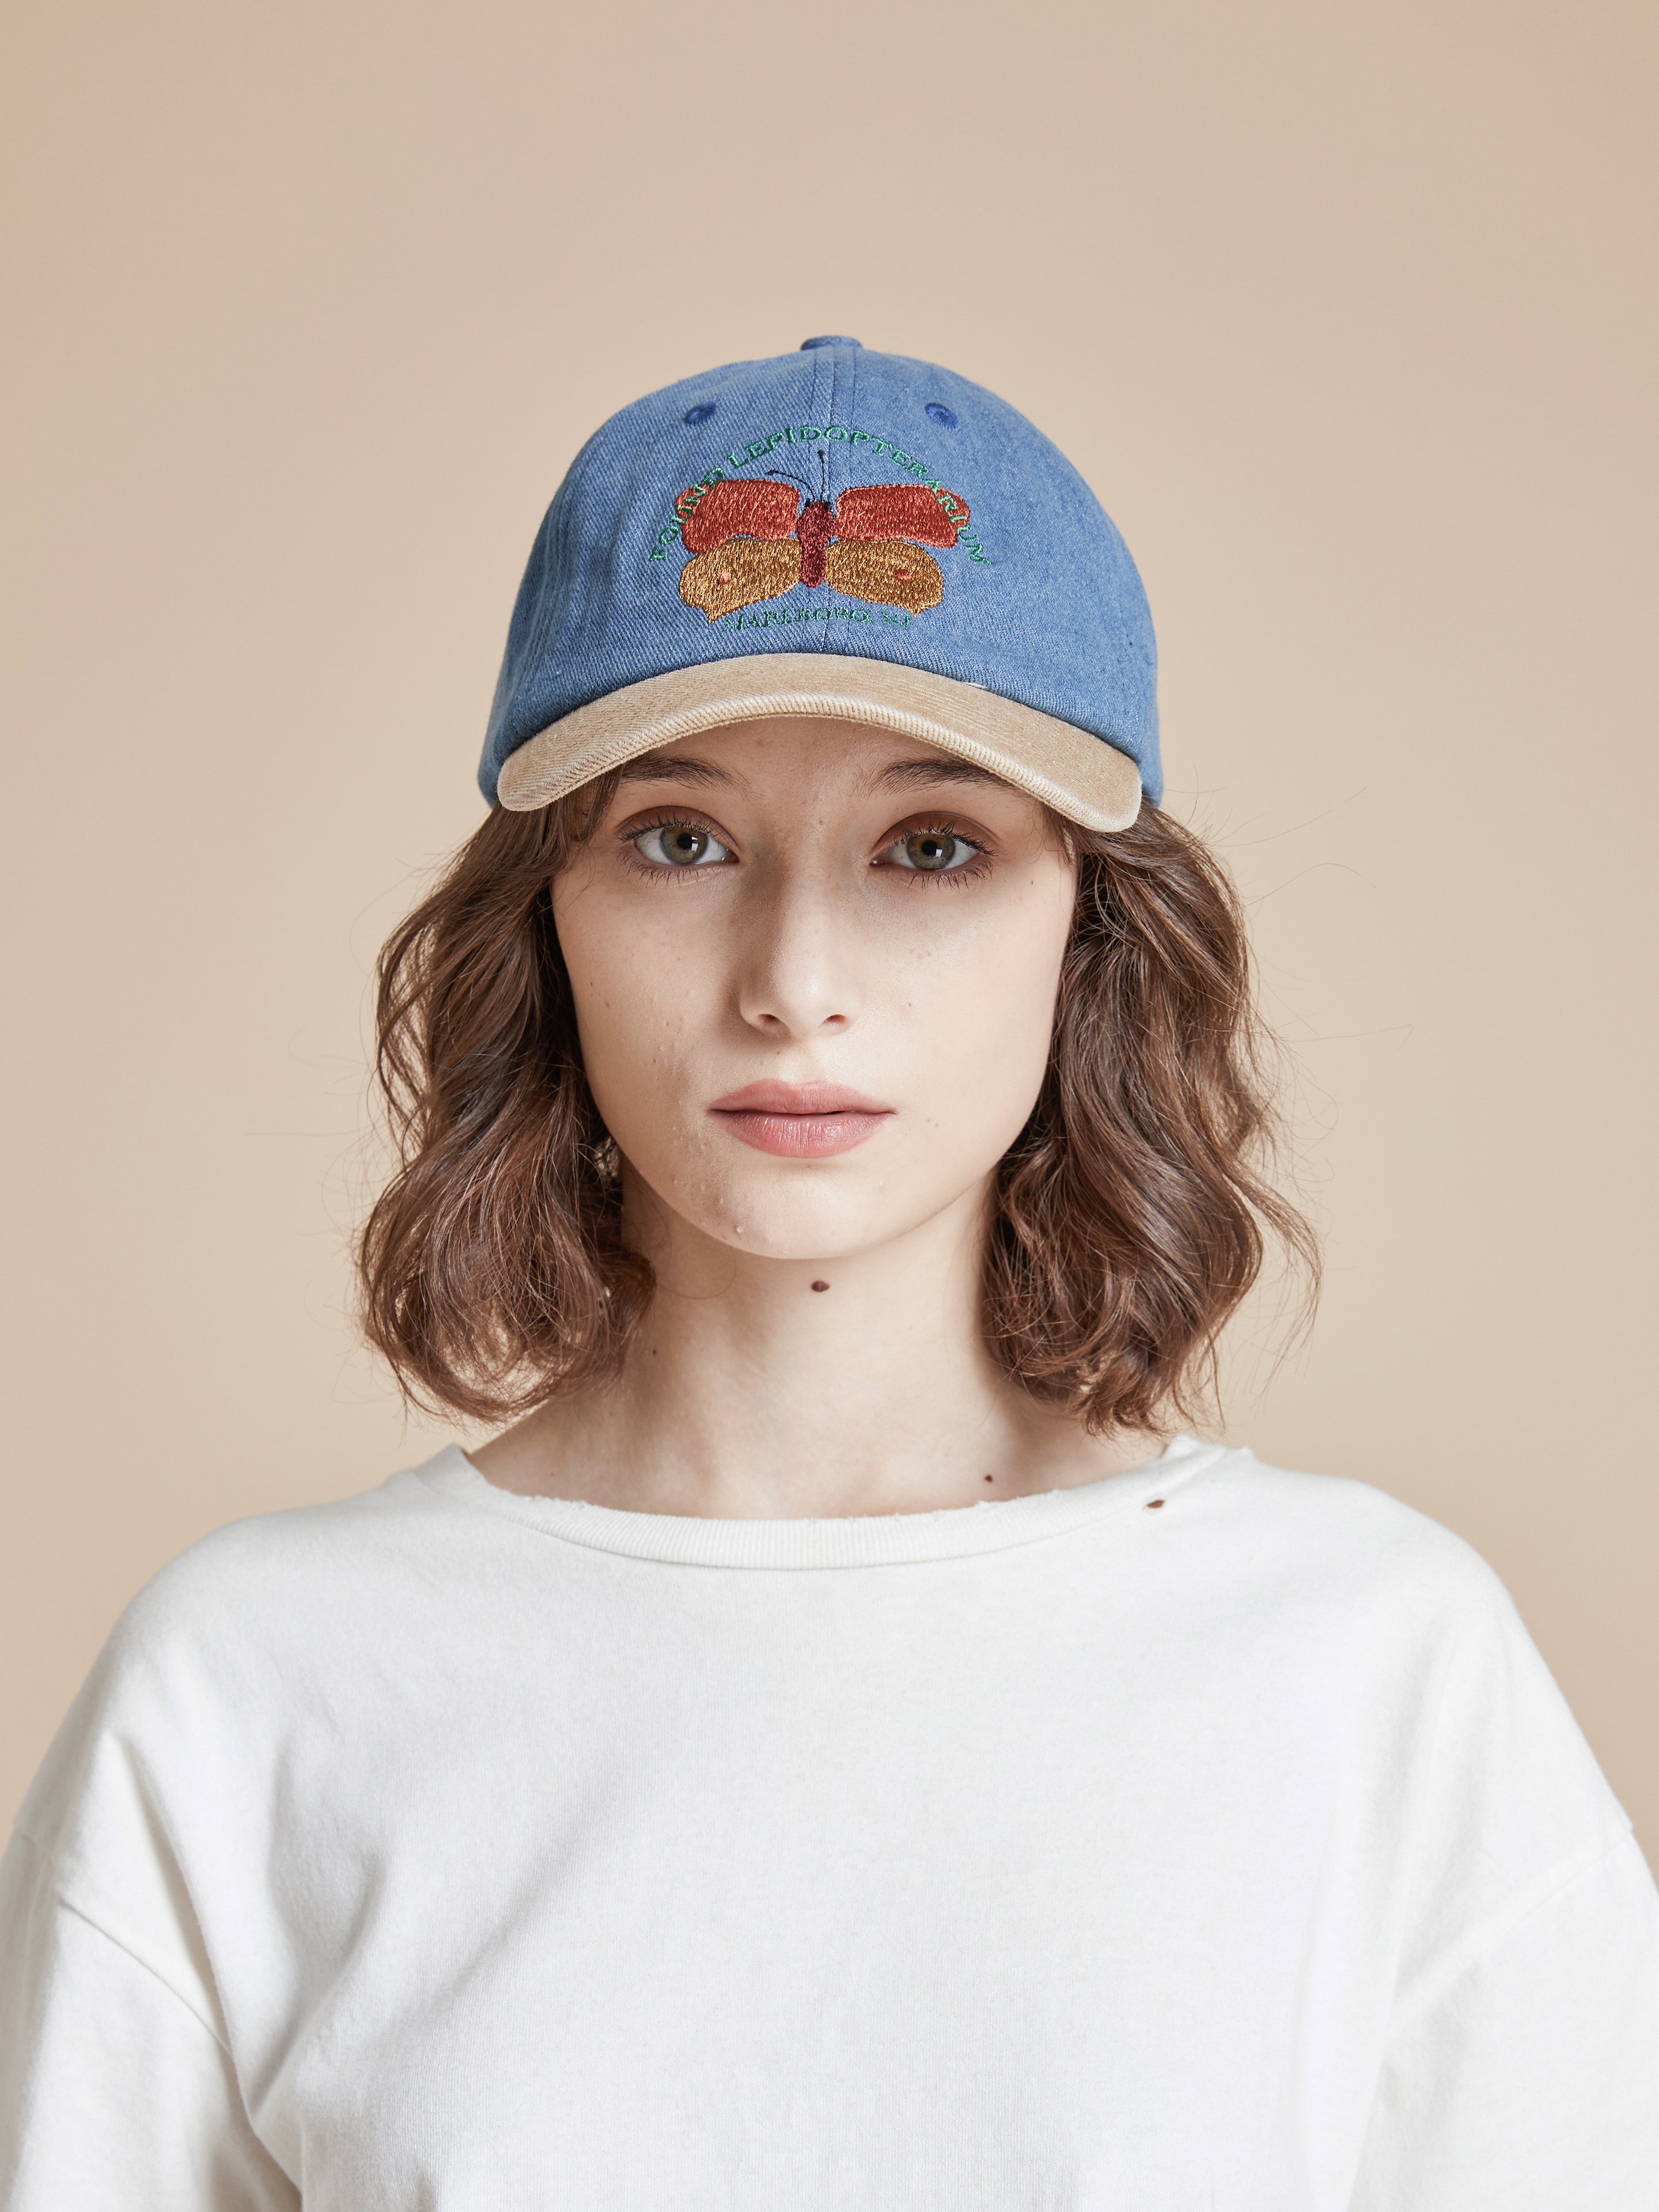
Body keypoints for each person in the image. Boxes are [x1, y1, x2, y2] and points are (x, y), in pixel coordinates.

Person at [2, 336, 1655, 2209]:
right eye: (680, 838)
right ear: (543, 918)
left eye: (931, 845)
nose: (794, 975)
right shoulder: (245, 1698)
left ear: (1089, 931)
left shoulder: (1376, 1671)